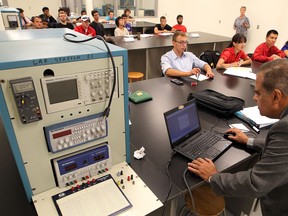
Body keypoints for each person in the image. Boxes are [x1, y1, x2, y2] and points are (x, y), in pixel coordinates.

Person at [188, 59, 288, 215]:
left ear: (276, 96)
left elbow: (256, 183)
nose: (254, 98)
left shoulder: (284, 128)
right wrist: (249, 141)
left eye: (258, 93)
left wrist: (213, 177)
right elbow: (282, 152)